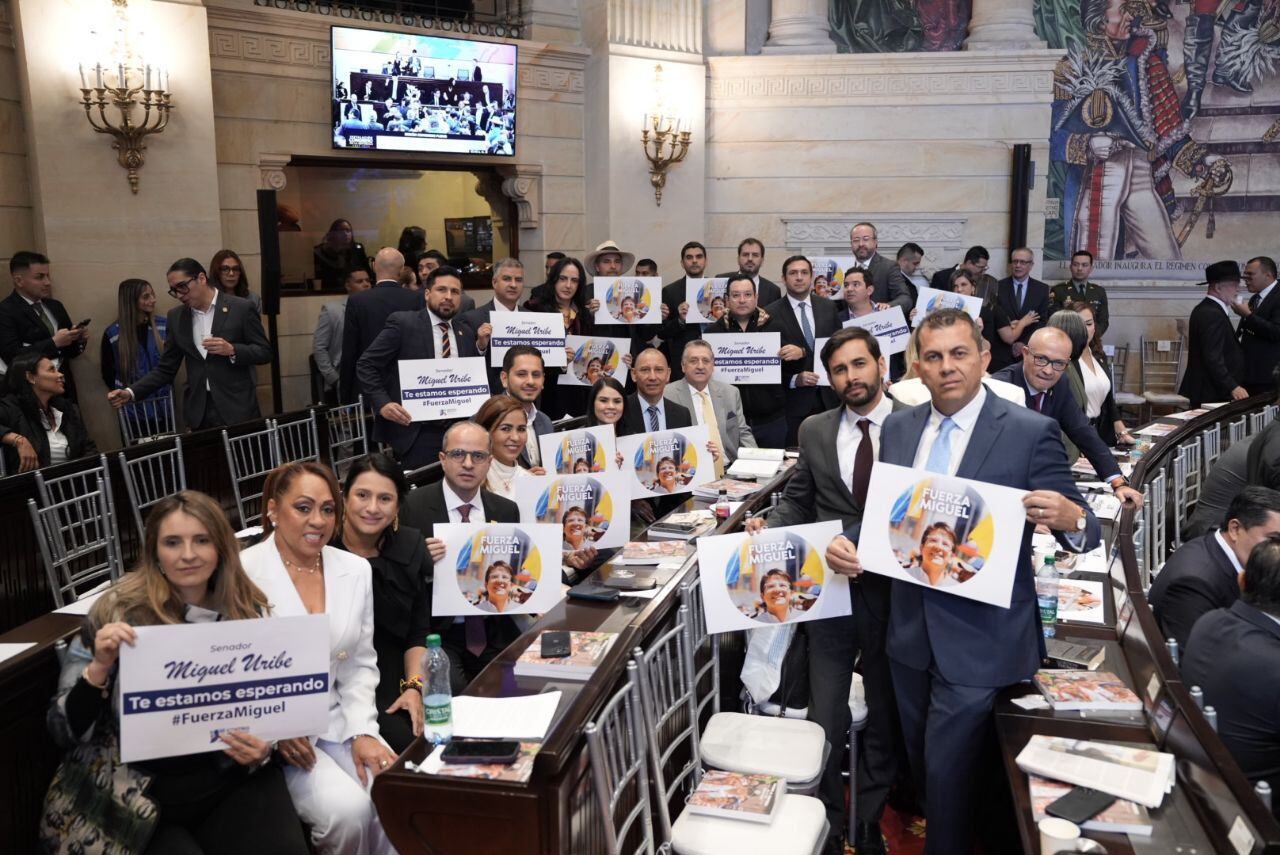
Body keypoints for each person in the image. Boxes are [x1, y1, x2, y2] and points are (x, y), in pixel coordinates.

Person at [826, 308, 1100, 855]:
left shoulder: (1029, 431)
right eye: (933, 356)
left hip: (982, 639)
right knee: (928, 772)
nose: (946, 366)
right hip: (908, 637)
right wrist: (848, 540)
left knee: (950, 781)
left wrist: (1073, 520)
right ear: (915, 368)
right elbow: (890, 513)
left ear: (984, 357)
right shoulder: (900, 428)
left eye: (958, 353)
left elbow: (1086, 528)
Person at [42, 490, 308, 855]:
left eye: (201, 540)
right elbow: (62, 730)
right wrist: (99, 668)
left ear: (221, 548)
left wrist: (266, 745)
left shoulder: (246, 608)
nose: (188, 555)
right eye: (172, 542)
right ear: (155, 552)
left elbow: (269, 708)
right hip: (136, 793)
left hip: (226, 777)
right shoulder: (117, 611)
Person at [746, 326, 903, 853]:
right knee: (826, 712)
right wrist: (772, 528)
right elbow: (798, 497)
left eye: (859, 365)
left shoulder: (914, 424)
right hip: (829, 591)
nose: (851, 377)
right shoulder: (814, 429)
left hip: (895, 593)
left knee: (884, 709)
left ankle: (869, 815)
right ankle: (832, 823)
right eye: (839, 369)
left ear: (880, 364)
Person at [240, 462, 396, 855]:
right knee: (348, 813)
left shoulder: (355, 569)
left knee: (395, 791)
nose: (318, 520)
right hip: (280, 733)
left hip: (341, 717)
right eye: (303, 507)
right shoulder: (243, 573)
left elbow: (360, 662)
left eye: (328, 509)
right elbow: (236, 673)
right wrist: (276, 730)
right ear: (274, 510)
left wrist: (362, 731)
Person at [399, 421, 522, 692]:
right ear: (443, 460)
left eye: (478, 456)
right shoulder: (412, 507)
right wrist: (420, 561)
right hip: (438, 634)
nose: (468, 463)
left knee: (518, 688)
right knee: (451, 691)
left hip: (494, 628)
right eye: (458, 454)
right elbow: (399, 580)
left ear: (489, 461)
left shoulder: (506, 511)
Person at [335, 454, 433, 754]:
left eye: (385, 498)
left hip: (394, 671)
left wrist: (414, 688)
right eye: (362, 495)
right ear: (345, 497)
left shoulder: (410, 545)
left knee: (425, 737)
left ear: (398, 506)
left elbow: (417, 633)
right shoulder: (323, 550)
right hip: (341, 677)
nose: (372, 508)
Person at [107, 258, 271, 430]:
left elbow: (264, 352)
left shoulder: (241, 308)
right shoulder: (176, 317)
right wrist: (130, 392)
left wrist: (232, 350)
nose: (179, 295)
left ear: (201, 278)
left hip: (237, 409)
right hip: (199, 413)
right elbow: (166, 369)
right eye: (174, 290)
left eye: (182, 287)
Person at [1182, 534, 1280, 816]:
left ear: (1241, 581)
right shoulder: (1273, 667)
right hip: (1257, 815)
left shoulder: (1209, 621)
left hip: (1206, 790)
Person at [991, 327, 1144, 508]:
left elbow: (1082, 430)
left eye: (1058, 363)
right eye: (1041, 359)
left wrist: (1118, 482)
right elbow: (995, 461)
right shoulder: (1000, 387)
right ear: (1025, 353)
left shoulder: (1060, 382)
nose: (1048, 370)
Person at [357, 265, 477, 469]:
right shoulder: (404, 323)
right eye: (442, 290)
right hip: (418, 433)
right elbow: (366, 364)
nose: (448, 296)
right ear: (427, 294)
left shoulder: (465, 332)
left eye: (455, 292)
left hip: (459, 432)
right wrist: (383, 403)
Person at [1150, 486, 1280, 652]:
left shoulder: (1214, 548)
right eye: (1274, 539)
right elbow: (1195, 661)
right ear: (1235, 529)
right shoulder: (1194, 583)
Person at [765, 255, 840, 446]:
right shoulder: (769, 315)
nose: (799, 277)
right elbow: (767, 367)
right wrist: (794, 379)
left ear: (811, 276)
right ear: (784, 278)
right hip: (793, 406)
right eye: (793, 273)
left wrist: (804, 353)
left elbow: (838, 349)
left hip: (830, 401)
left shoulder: (828, 307)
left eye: (804, 273)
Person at [708, 273, 788, 447]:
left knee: (775, 472)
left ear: (756, 297)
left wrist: (800, 352)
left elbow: (790, 370)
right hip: (729, 422)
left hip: (771, 420)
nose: (742, 300)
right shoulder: (712, 333)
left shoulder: (776, 327)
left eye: (747, 295)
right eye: (736, 295)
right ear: (727, 300)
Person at [0, 251, 88, 402]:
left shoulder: (55, 306)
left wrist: (77, 339)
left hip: (65, 391)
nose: (47, 282)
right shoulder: (5, 311)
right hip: (32, 395)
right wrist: (54, 343)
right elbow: (12, 356)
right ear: (19, 280)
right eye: (39, 277)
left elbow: (69, 353)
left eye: (48, 276)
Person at [339, 247, 423, 403]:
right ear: (401, 270)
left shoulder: (357, 301)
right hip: (408, 384)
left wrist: (345, 395)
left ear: (373, 267)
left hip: (368, 385)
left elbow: (350, 350)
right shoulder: (416, 299)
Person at [663, 339, 756, 469]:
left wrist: (756, 461)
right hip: (691, 470)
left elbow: (743, 432)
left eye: (706, 361)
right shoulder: (667, 395)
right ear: (683, 366)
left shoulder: (730, 392)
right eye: (693, 361)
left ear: (713, 366)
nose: (700, 366)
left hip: (730, 467)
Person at [0, 351, 95, 472]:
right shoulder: (11, 408)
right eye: (51, 370)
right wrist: (18, 440)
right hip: (33, 487)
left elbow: (88, 448)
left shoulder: (66, 408)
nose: (60, 374)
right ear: (31, 377)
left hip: (76, 483)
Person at [523, 256, 594, 418]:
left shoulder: (585, 315)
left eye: (574, 281)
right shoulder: (534, 309)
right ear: (553, 279)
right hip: (545, 391)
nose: (568, 285)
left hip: (578, 393)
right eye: (563, 279)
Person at [1180, 260, 1248, 407]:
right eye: (1234, 285)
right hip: (1211, 392)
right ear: (1218, 287)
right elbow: (1212, 357)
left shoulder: (1207, 309)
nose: (1238, 290)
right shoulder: (1212, 313)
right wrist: (1232, 386)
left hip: (1211, 390)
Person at [1070, 301, 1134, 447]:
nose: (1085, 330)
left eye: (1089, 324)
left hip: (1102, 433)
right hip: (1078, 437)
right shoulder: (1066, 360)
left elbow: (1108, 400)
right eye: (1078, 324)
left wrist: (1121, 430)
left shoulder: (1098, 355)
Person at [458, 257, 527, 393]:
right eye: (507, 279)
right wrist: (480, 346)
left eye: (518, 280)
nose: (513, 285)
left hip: (528, 398)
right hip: (490, 399)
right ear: (494, 282)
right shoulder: (471, 319)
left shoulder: (534, 318)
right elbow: (464, 366)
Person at [100, 278, 169, 405]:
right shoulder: (113, 334)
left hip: (164, 405)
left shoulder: (163, 326)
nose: (153, 300)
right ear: (131, 301)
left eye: (152, 295)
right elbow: (108, 373)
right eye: (146, 297)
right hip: (133, 410)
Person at [314, 268, 372, 404]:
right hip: (343, 376)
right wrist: (333, 378)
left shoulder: (375, 308)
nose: (366, 284)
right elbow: (319, 347)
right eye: (359, 281)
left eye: (368, 280)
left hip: (370, 376)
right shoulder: (332, 310)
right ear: (348, 286)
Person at [657, 240, 711, 380]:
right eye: (689, 257)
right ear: (682, 263)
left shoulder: (718, 287)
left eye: (699, 257)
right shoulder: (670, 291)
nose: (694, 261)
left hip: (715, 356)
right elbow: (662, 333)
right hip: (683, 362)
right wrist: (680, 320)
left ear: (705, 261)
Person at [989, 247, 1049, 370]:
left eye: (1023, 262)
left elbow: (1043, 321)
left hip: (1029, 353)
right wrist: (1006, 327)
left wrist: (1024, 343)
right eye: (1015, 261)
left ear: (1031, 265)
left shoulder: (1042, 289)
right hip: (1001, 353)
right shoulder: (998, 287)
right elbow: (991, 319)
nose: (1018, 265)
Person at [474, 394, 541, 500]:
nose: (515, 437)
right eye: (505, 429)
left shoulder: (531, 481)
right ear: (486, 432)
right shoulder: (469, 478)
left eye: (521, 429)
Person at [500, 345, 554, 468]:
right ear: (504, 378)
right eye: (521, 374)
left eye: (536, 375)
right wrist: (523, 479)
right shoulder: (486, 420)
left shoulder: (545, 422)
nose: (530, 381)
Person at [1233, 256, 1280, 397]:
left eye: (1250, 275)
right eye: (1244, 275)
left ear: (1268, 275)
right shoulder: (1255, 298)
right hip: (1251, 374)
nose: (1245, 279)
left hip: (1269, 377)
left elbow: (1277, 332)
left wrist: (1248, 315)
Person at [619, 347, 693, 435]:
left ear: (668, 374)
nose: (652, 377)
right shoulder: (620, 410)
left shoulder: (682, 415)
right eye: (645, 370)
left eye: (659, 370)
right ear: (634, 374)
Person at [847, 222, 911, 313]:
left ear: (875, 242)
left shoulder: (889, 267)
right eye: (856, 240)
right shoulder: (844, 267)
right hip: (849, 325)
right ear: (851, 244)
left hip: (879, 322)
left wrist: (888, 306)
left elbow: (905, 298)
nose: (861, 244)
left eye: (866, 239)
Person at [1049, 250, 1109, 336]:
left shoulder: (1099, 291)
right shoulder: (1058, 290)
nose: (1080, 268)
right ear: (1070, 267)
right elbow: (1054, 319)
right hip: (1067, 341)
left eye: (1084, 265)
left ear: (1091, 268)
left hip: (1092, 341)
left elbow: (1103, 321)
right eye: (1076, 264)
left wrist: (1091, 337)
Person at [717, 237, 782, 306]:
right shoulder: (720, 280)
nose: (750, 259)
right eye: (745, 255)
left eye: (755, 255)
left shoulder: (773, 291)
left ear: (762, 261)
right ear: (738, 259)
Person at [314, 218, 370, 290]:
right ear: (333, 233)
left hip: (356, 290)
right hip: (329, 291)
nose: (345, 234)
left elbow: (367, 272)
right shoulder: (322, 251)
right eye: (341, 231)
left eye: (348, 231)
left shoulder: (357, 249)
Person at [930, 245, 996, 300]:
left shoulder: (985, 281)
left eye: (985, 268)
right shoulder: (941, 277)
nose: (983, 271)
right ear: (969, 263)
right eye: (980, 267)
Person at [209, 249, 262, 314]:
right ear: (216, 272)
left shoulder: (253, 299)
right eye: (225, 269)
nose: (231, 273)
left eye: (235, 269)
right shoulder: (209, 299)